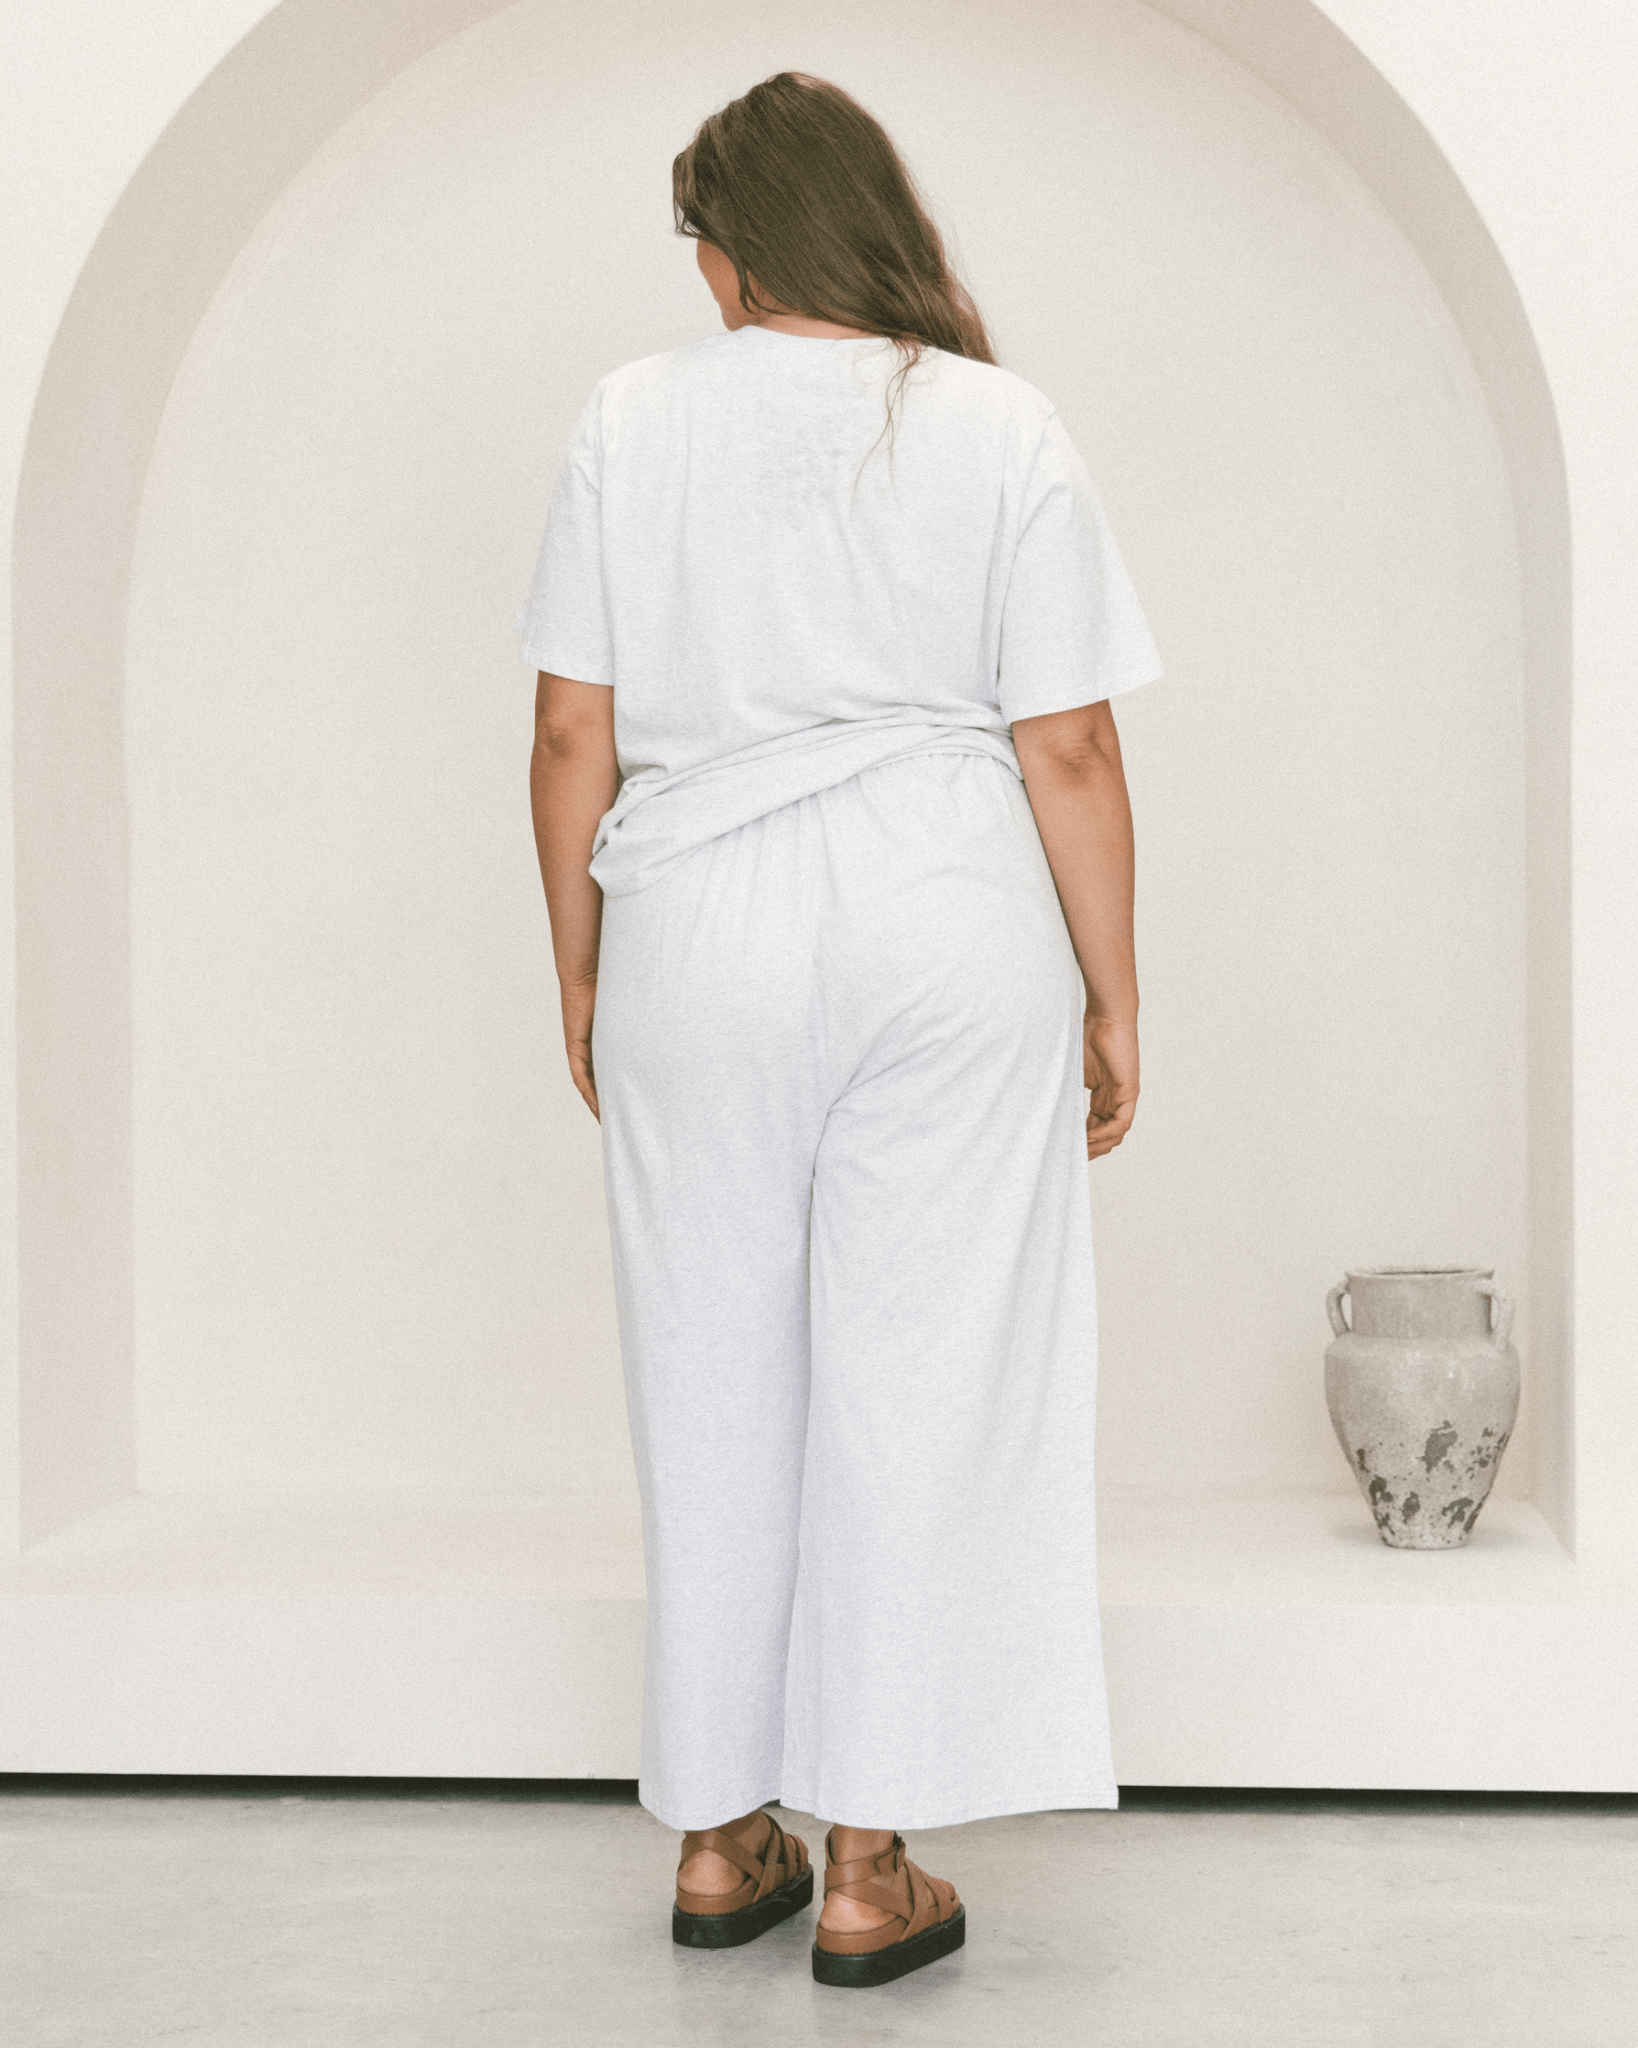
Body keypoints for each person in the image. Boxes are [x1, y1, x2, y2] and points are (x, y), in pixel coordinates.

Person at [519, 70, 1163, 1989]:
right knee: (924, 1376)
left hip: (694, 923)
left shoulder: (630, 416)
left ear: (733, 250)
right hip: (946, 919)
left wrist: (581, 966)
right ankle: (872, 1865)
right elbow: (1067, 741)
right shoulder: (994, 420)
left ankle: (724, 1840)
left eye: (700, 243)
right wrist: (1112, 989)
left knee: (706, 1363)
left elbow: (569, 727)